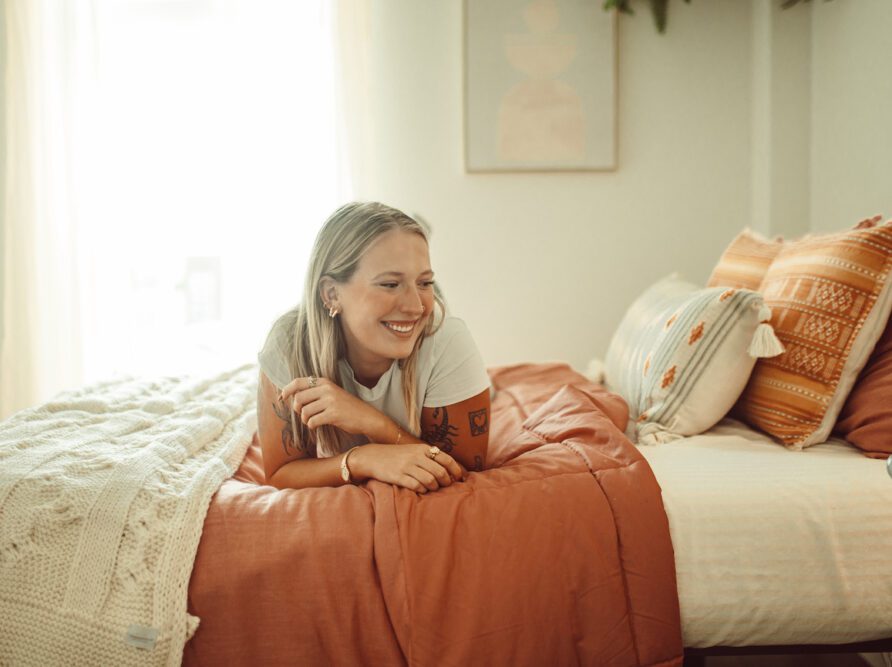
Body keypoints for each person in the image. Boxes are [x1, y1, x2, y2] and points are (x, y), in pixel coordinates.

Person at [256, 201, 492, 492]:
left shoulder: (446, 337)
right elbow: (281, 473)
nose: (416, 306)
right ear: (331, 294)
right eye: (390, 284)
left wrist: (372, 423)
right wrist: (361, 459)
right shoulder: (289, 343)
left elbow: (464, 475)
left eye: (425, 282)